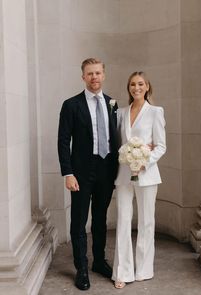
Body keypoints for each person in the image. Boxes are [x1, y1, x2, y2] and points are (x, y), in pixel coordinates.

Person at [57, 58, 118, 291]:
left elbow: (116, 137)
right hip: (81, 172)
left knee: (101, 218)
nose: (94, 77)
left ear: (104, 75)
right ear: (83, 76)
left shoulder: (112, 103)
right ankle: (81, 268)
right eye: (90, 73)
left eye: (98, 73)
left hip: (106, 169)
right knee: (79, 221)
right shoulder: (71, 105)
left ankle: (99, 262)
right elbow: (63, 141)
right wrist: (68, 173)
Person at [112, 71, 166, 289]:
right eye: (132, 84)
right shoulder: (121, 113)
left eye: (140, 84)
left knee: (146, 222)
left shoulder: (155, 112)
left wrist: (145, 159)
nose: (136, 88)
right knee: (124, 221)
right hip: (124, 174)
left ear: (147, 87)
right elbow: (116, 142)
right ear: (129, 88)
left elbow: (161, 145)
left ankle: (144, 269)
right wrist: (126, 155)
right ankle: (122, 271)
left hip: (147, 174)